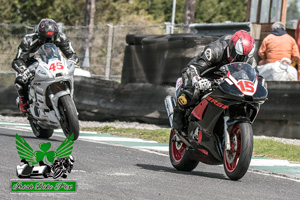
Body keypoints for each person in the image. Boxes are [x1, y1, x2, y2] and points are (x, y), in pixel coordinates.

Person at [172, 30, 256, 132]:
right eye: (238, 55)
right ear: (232, 47)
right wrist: (198, 80)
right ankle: (178, 116)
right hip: (202, 74)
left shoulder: (249, 59)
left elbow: (256, 75)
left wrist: (261, 83)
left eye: (244, 57)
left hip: (225, 78)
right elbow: (195, 68)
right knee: (192, 91)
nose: (240, 59)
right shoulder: (216, 49)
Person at [12, 18, 79, 114]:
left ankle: (69, 102)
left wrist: (72, 61)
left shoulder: (61, 37)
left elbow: (72, 54)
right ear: (39, 34)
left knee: (69, 74)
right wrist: (23, 70)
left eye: (52, 37)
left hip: (53, 62)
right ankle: (24, 102)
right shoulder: (28, 40)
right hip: (31, 64)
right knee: (20, 80)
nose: (49, 40)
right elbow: (17, 60)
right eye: (45, 38)